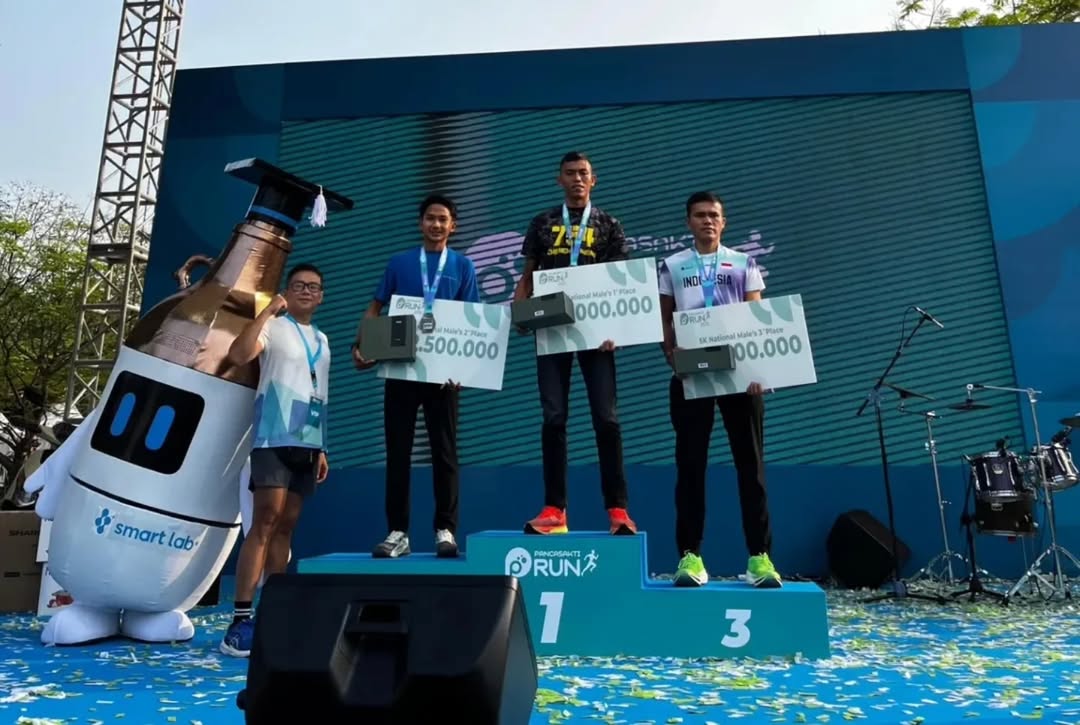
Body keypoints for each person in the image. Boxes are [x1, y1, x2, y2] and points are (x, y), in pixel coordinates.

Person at [658, 191, 782, 589]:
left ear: (723, 222)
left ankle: (760, 558)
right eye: (699, 215)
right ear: (688, 222)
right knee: (690, 467)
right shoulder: (673, 265)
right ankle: (690, 556)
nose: (707, 221)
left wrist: (759, 369)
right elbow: (665, 320)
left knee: (751, 467)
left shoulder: (744, 263)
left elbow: (756, 316)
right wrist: (673, 357)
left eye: (713, 215)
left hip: (740, 376)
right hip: (692, 375)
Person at [513, 151, 637, 537]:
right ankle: (555, 510)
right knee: (554, 418)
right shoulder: (543, 222)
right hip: (552, 330)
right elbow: (528, 275)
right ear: (559, 179)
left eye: (583, 173)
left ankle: (618, 510)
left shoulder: (608, 224)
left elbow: (621, 280)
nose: (577, 179)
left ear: (593, 180)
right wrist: (520, 313)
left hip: (596, 336)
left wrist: (617, 329)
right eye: (570, 173)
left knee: (606, 418)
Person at [353, 194, 480, 559]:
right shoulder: (400, 263)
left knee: (445, 453)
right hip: (402, 369)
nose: (436, 224)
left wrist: (464, 369)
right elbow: (375, 308)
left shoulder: (463, 266)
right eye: (430, 218)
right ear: (420, 222)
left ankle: (446, 530)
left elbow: (473, 320)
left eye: (442, 219)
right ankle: (398, 532)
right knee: (398, 452)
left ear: (453, 226)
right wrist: (361, 346)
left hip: (443, 376)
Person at [220, 263, 332, 656]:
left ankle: (274, 611)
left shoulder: (323, 340)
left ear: (321, 297)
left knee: (286, 526)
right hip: (272, 437)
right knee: (265, 521)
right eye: (299, 285)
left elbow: (321, 394)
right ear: (287, 290)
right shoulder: (273, 326)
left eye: (313, 287)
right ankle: (241, 619)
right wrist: (267, 311)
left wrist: (322, 447)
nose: (306, 291)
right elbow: (238, 354)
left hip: (308, 443)